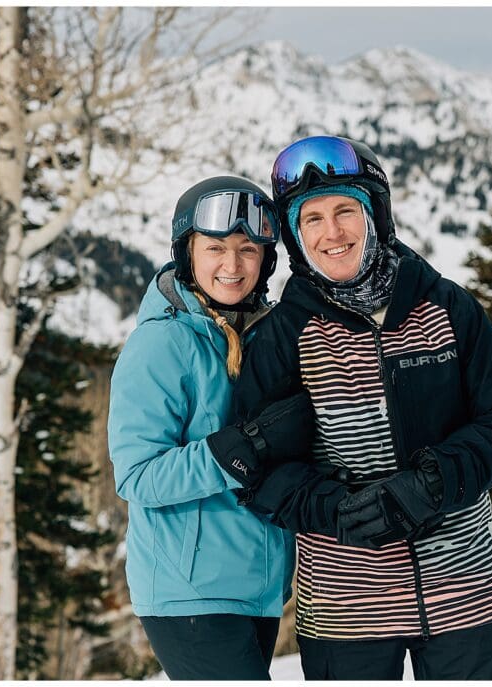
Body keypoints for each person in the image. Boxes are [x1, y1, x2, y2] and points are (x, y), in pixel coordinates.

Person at [231, 136, 492, 680]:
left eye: (346, 210)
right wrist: (334, 509)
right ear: (297, 239)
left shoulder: (446, 306)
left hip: (465, 590)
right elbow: (256, 471)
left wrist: (433, 482)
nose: (333, 233)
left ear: (375, 215)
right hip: (346, 610)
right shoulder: (282, 337)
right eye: (313, 219)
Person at [107, 175, 315, 680]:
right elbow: (137, 476)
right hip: (190, 592)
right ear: (188, 252)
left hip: (258, 588)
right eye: (216, 247)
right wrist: (236, 450)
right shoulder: (162, 343)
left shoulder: (264, 335)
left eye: (248, 249)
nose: (233, 265)